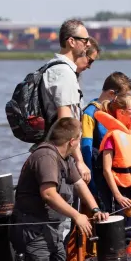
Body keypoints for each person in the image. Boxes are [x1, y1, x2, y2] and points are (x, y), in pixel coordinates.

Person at [6, 118, 108, 261]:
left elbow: (79, 183)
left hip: (52, 230)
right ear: (72, 142)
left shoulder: (65, 158)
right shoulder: (46, 157)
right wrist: (77, 215)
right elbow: (48, 194)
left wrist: (95, 209)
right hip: (34, 230)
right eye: (79, 140)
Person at [80, 72, 131, 205]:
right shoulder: (90, 114)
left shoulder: (117, 111)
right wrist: (92, 187)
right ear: (111, 93)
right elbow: (87, 150)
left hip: (127, 175)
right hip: (104, 176)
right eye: (123, 96)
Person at [40, 18, 92, 183]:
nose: (88, 44)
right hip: (60, 155)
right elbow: (65, 121)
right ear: (71, 41)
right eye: (85, 40)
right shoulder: (63, 72)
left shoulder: (59, 68)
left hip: (59, 151)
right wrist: (79, 161)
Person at [96, 93, 131, 243]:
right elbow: (106, 170)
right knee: (123, 230)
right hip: (119, 193)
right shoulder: (112, 137)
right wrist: (118, 196)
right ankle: (118, 259)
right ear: (121, 112)